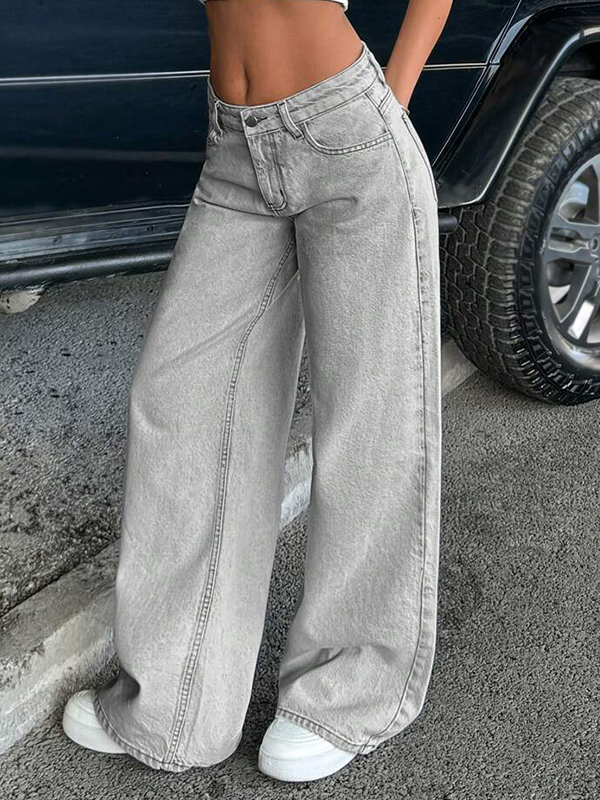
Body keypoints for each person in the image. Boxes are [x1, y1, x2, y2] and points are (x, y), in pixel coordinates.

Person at [62, 0, 453, 784]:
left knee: (369, 418)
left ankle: (347, 694)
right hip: (235, 147)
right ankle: (177, 706)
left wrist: (391, 107)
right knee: (180, 402)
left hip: (345, 128)